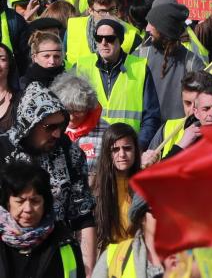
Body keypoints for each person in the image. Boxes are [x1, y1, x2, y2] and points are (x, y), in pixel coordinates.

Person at [0, 83, 95, 272]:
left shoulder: (70, 153)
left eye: (61, 125)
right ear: (29, 123)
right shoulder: (2, 149)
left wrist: (88, 268)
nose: (57, 133)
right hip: (7, 255)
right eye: (49, 127)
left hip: (55, 253)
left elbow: (83, 215)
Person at [70, 19, 161, 149]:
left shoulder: (139, 67)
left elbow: (151, 117)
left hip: (125, 151)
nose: (103, 43)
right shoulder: (81, 66)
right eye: (99, 38)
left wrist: (137, 147)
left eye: (110, 39)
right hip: (89, 150)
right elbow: (67, 113)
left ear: (120, 40)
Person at [0, 161, 84, 278]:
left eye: (35, 201)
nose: (28, 209)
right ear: (7, 203)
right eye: (20, 201)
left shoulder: (65, 244)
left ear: (45, 202)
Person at [135, 0, 205, 122]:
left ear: (164, 28)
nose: (147, 28)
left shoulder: (192, 63)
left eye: (152, 24)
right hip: (146, 136)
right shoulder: (139, 56)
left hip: (179, 138)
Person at [89, 124, 139, 252]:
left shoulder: (145, 184)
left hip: (136, 254)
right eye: (115, 149)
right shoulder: (94, 185)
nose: (122, 154)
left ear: (135, 150)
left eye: (127, 148)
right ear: (107, 152)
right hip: (106, 256)